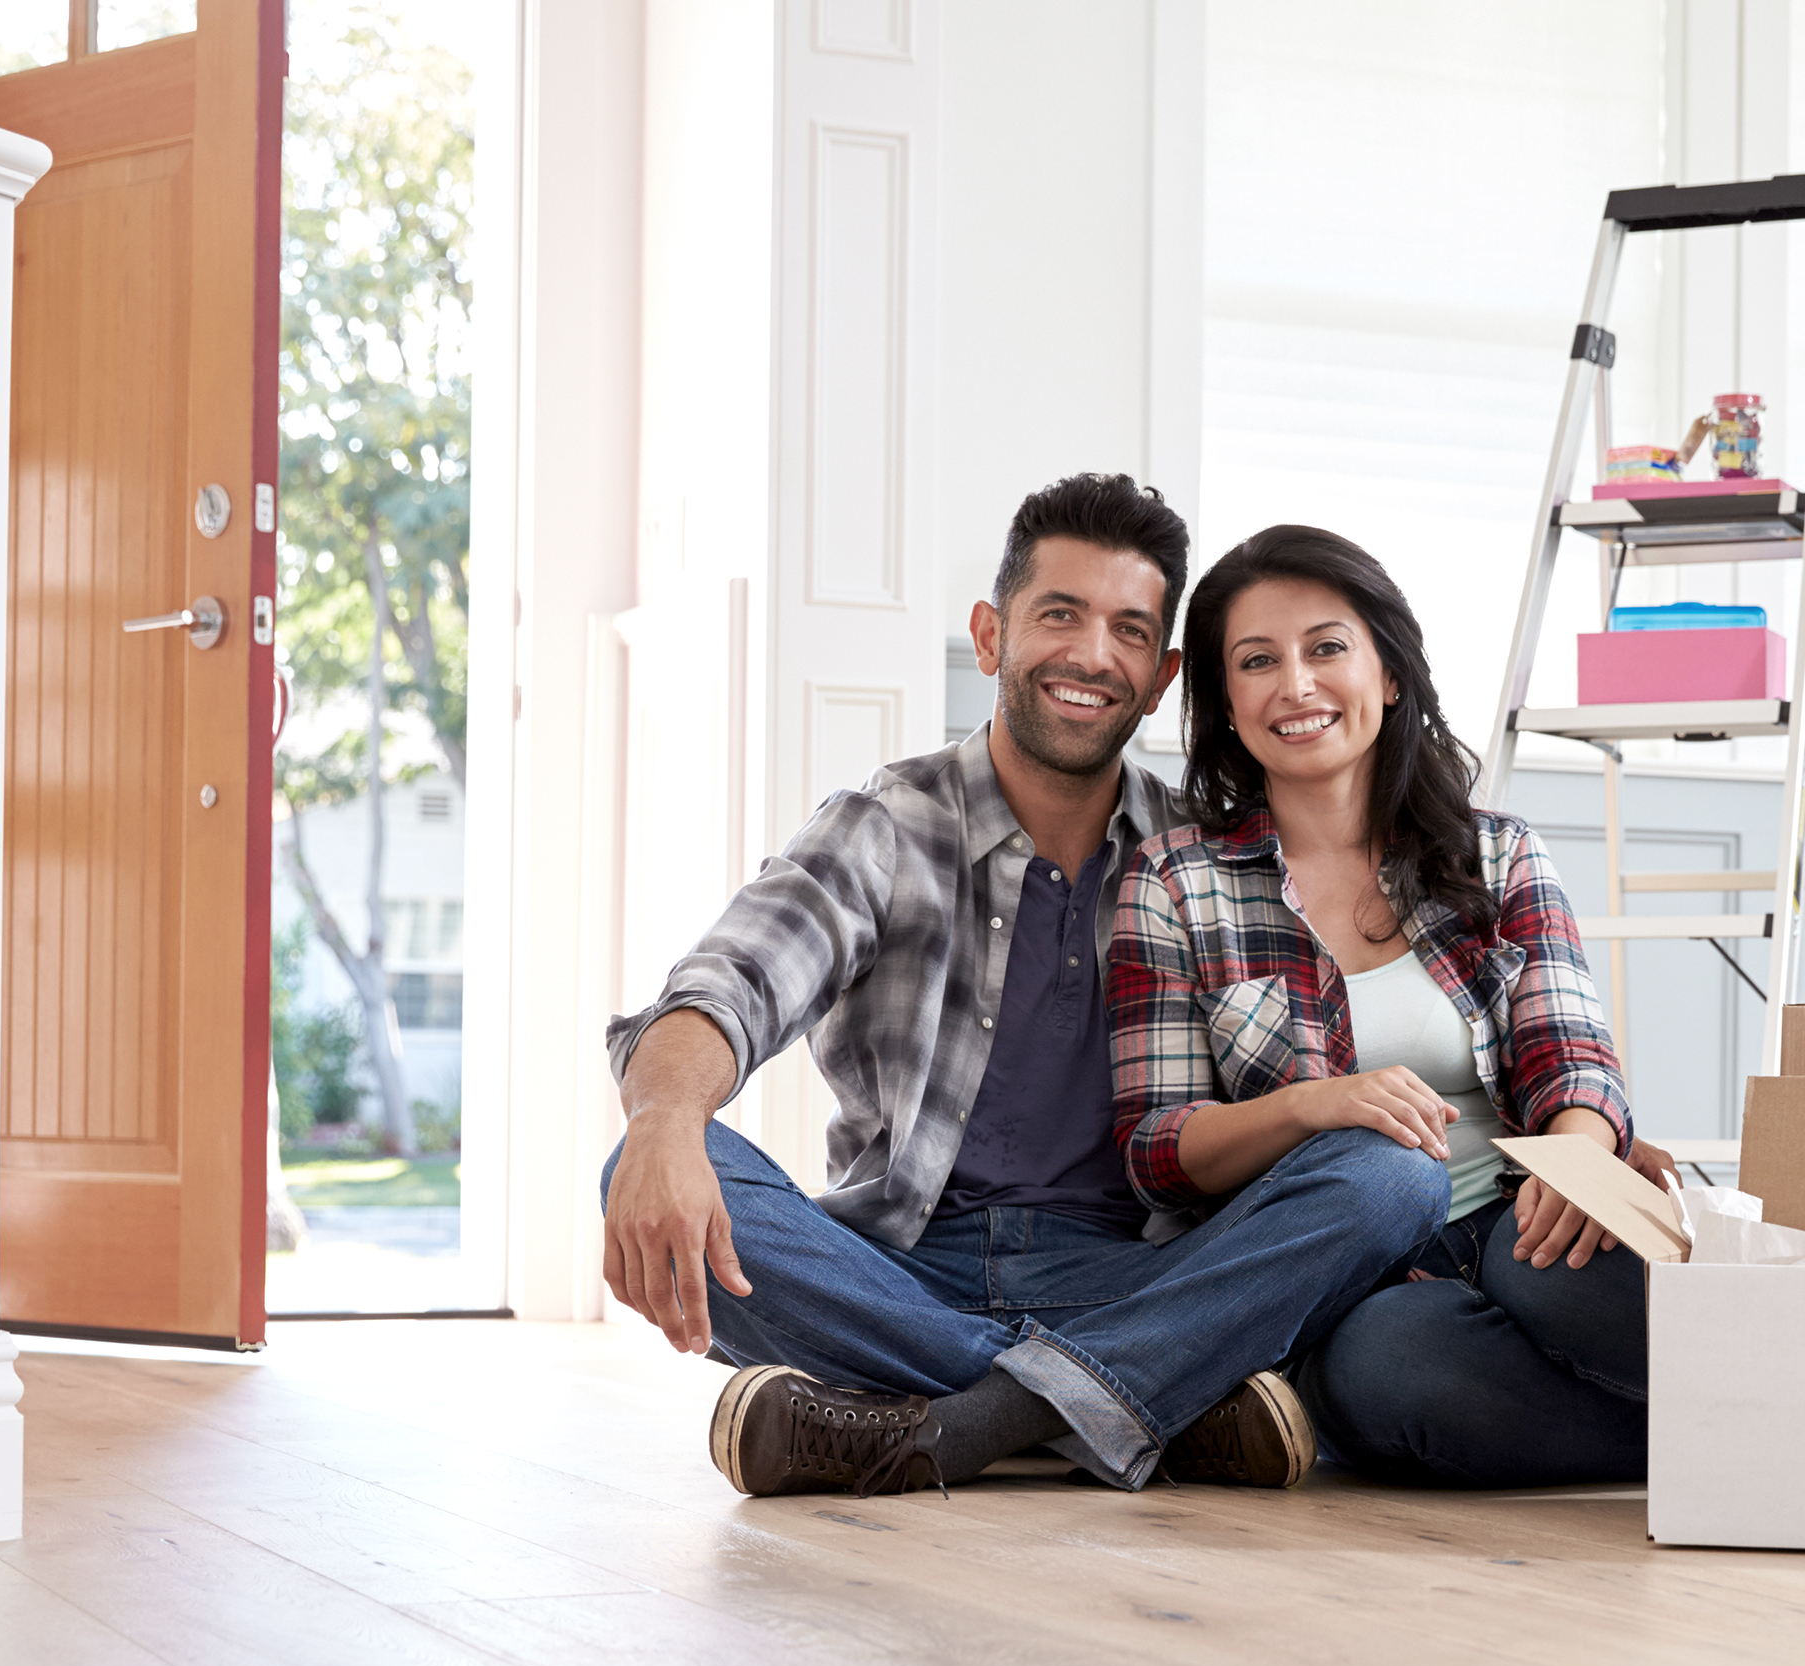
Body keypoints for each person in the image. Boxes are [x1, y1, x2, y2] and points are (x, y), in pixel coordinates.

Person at [601, 476, 1448, 1501]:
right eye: (1060, 615)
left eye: (1129, 631)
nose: (1093, 654)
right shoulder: (883, 826)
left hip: (1139, 1271)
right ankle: (1151, 1402)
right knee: (646, 1164)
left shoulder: (1206, 861)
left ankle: (952, 1423)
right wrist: (660, 1122)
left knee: (1392, 1175)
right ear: (991, 634)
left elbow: (1298, 1120)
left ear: (1161, 674)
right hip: (901, 1267)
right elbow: (727, 984)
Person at [1107, 523, 1665, 1489]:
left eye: (1328, 647)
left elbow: (1571, 1055)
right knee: (1398, 1376)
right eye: (1256, 662)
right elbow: (1159, 1152)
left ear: (1390, 674)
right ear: (1224, 704)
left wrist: (1577, 1160)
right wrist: (1311, 1105)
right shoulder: (1174, 883)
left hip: (1518, 1212)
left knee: (1585, 1281)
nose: (1297, 685)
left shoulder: (1499, 854)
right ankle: (1738, 1441)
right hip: (1346, 1279)